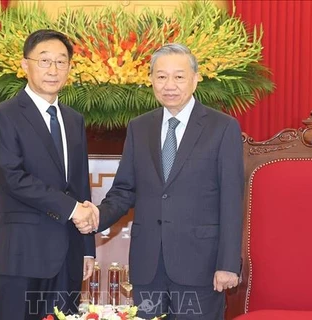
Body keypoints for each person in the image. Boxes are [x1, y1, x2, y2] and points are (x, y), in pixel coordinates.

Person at [81, 43, 244, 319]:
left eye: (179, 76)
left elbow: (231, 198)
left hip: (201, 266)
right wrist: (97, 216)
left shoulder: (223, 127)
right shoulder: (139, 127)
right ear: (151, 80)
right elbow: (124, 190)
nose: (170, 85)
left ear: (195, 78)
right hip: (148, 266)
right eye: (161, 76)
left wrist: (228, 264)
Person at [0, 29, 99, 320]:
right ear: (25, 65)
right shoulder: (4, 116)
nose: (53, 70)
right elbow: (13, 178)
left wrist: (87, 248)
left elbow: (79, 186)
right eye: (44, 60)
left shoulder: (74, 120)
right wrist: (73, 209)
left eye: (61, 62)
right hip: (21, 255)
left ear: (70, 68)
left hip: (67, 256)